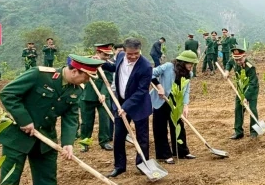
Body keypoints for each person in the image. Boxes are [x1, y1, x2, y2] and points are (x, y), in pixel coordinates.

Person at [0, 54, 102, 185]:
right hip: (17, 137)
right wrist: (23, 119)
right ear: (75, 71)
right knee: (10, 183)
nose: (87, 81)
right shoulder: (39, 75)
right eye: (86, 76)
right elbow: (8, 94)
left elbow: (71, 115)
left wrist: (69, 142)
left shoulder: (76, 89)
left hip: (45, 140)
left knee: (47, 179)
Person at [102, 38, 154, 177]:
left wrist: (126, 106)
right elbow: (114, 68)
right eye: (130, 54)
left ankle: (142, 164)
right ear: (124, 51)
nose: (133, 56)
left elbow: (142, 90)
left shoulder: (146, 66)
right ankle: (119, 166)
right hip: (120, 104)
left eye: (136, 53)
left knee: (142, 137)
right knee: (118, 136)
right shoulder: (119, 57)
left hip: (139, 106)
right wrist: (100, 63)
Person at [151, 50, 198, 162]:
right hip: (162, 101)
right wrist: (159, 87)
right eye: (189, 63)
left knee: (178, 126)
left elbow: (186, 90)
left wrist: (185, 105)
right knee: (160, 128)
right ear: (182, 62)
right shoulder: (168, 67)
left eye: (193, 64)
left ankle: (181, 152)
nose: (191, 66)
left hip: (176, 103)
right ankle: (164, 155)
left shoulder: (189, 74)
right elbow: (151, 73)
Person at [78, 43, 115, 152]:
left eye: (109, 55)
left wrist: (103, 93)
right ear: (98, 52)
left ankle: (104, 141)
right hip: (88, 95)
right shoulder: (87, 61)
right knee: (86, 121)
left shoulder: (108, 65)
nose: (107, 57)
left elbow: (107, 80)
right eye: (105, 54)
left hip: (103, 96)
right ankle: (85, 142)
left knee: (105, 119)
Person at [224, 47, 260, 139]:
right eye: (236, 59)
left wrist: (246, 97)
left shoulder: (251, 67)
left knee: (252, 109)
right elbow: (229, 63)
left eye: (240, 59)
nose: (238, 61)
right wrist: (227, 71)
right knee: (238, 109)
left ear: (244, 56)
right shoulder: (234, 60)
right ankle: (238, 132)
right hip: (240, 89)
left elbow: (252, 84)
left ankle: (254, 132)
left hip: (252, 89)